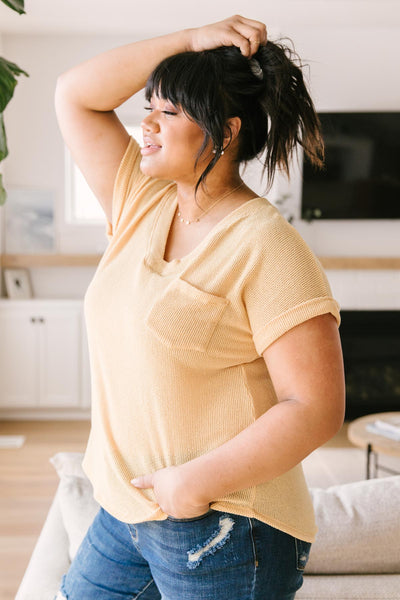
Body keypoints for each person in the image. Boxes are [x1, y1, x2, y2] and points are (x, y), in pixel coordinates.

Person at [54, 14, 345, 600]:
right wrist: (190, 42)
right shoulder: (141, 198)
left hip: (224, 523)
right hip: (128, 511)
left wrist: (191, 484)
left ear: (226, 130)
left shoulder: (267, 245)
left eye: (169, 113)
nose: (147, 126)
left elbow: (315, 406)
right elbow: (76, 95)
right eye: (149, 108)